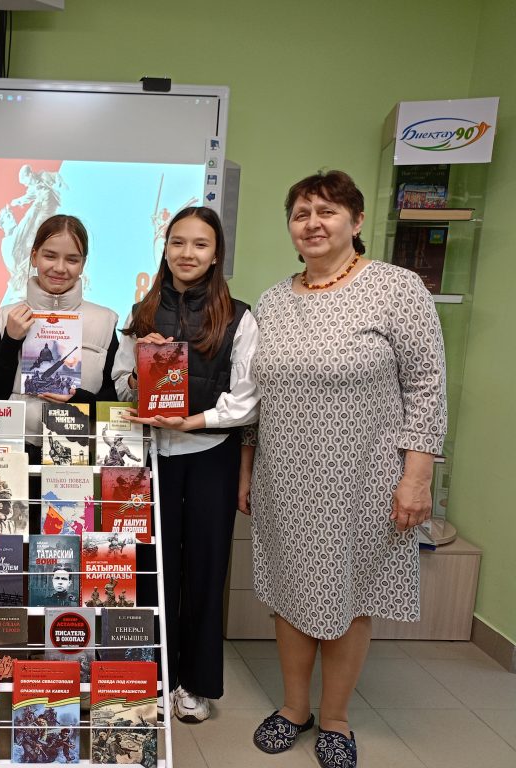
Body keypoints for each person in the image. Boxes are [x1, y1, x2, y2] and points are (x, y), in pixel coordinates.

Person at [241, 171, 446, 768]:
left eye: (327, 211)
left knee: (351, 596)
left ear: (356, 222)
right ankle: (294, 708)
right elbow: (256, 394)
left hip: (363, 480)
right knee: (288, 591)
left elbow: (427, 389)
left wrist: (416, 479)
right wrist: (247, 469)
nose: (312, 223)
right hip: (285, 476)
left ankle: (334, 718)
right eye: (300, 213)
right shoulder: (273, 300)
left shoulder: (397, 289)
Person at [113, 206, 259, 724]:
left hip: (209, 457)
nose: (187, 253)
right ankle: (153, 679)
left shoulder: (239, 316)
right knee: (150, 569)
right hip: (148, 458)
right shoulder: (141, 311)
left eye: (200, 244)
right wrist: (141, 372)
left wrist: (193, 421)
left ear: (216, 254)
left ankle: (194, 684)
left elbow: (247, 400)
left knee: (204, 569)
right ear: (166, 248)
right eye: (178, 242)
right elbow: (120, 385)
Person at [0, 214, 119, 464]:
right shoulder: (6, 318)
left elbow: (115, 400)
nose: (59, 268)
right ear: (34, 256)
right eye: (50, 256)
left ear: (83, 264)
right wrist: (11, 340)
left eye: (72, 259)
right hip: (13, 453)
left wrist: (77, 398)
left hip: (76, 454)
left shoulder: (104, 321)